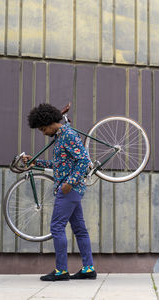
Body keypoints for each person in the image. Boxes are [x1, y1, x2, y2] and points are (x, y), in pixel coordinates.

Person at [23, 103, 96, 281]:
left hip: (68, 190)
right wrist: (36, 163)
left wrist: (69, 182)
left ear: (50, 123)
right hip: (71, 189)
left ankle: (61, 271)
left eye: (42, 129)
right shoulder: (62, 136)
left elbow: (84, 161)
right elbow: (61, 166)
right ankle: (88, 269)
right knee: (80, 229)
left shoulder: (68, 135)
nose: (43, 133)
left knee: (57, 227)